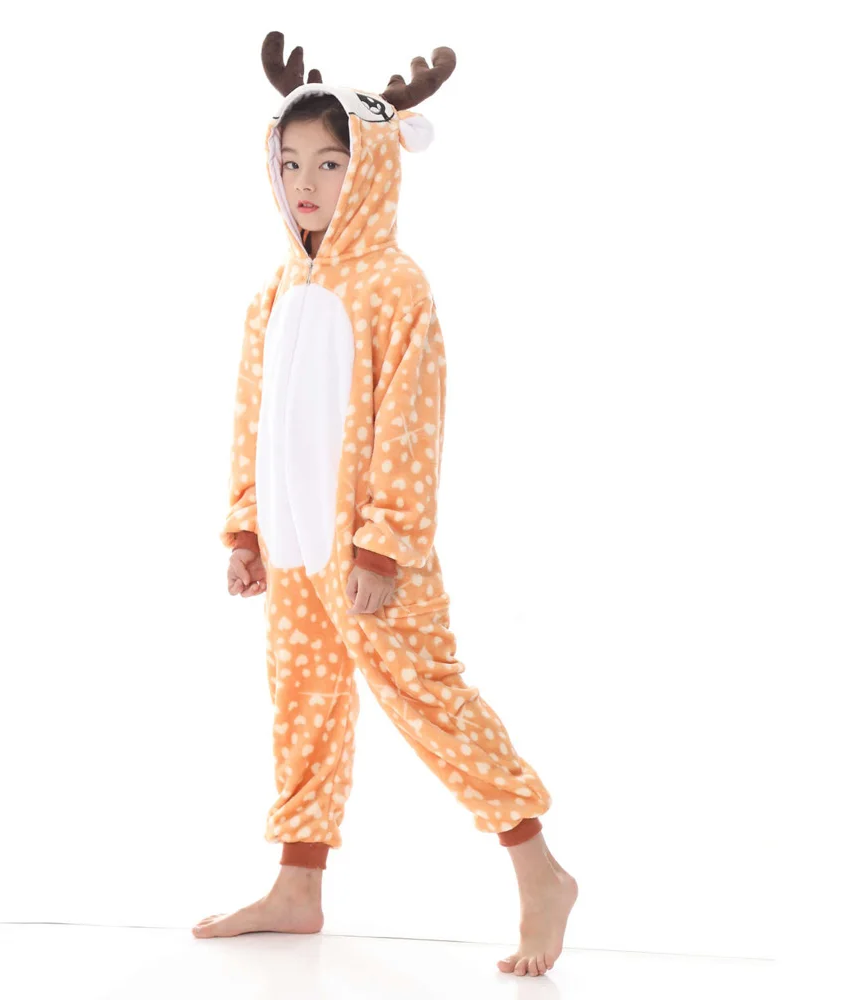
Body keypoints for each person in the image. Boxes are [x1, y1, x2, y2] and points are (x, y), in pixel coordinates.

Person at [194, 32, 578, 978]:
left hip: (368, 558)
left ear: (369, 167)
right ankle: (298, 885)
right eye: (290, 163)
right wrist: (244, 527)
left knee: (427, 697)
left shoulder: (396, 289)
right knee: (303, 705)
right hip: (292, 551)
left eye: (330, 163)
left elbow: (411, 426)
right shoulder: (274, 291)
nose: (306, 183)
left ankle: (539, 870)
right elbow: (252, 417)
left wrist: (383, 547)